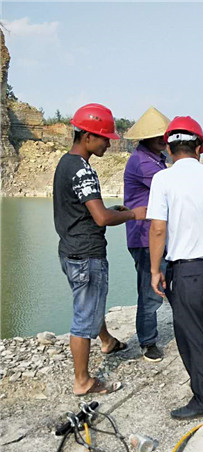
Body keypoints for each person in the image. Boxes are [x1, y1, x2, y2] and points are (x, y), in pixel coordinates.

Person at [53, 103, 147, 396]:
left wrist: (109, 209)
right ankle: (83, 381)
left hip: (70, 249)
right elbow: (102, 219)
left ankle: (106, 341)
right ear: (87, 137)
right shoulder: (82, 170)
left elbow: (87, 210)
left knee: (89, 302)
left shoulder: (66, 163)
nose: (108, 143)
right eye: (105, 137)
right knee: (83, 316)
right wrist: (133, 214)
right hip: (86, 254)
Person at [148, 116, 203, 419]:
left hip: (187, 269)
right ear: (200, 147)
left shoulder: (163, 179)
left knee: (191, 334)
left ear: (170, 149)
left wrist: (155, 269)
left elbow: (158, 229)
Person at [123, 107, 170, 362]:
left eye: (166, 135)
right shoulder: (142, 162)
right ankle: (148, 341)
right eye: (158, 136)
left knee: (165, 282)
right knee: (149, 290)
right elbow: (171, 188)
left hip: (157, 233)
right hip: (144, 236)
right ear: (146, 138)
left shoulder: (157, 159)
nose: (164, 139)